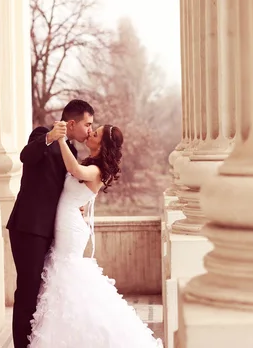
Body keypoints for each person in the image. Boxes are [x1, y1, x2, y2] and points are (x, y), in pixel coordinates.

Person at [28, 123, 162, 347]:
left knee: (67, 273)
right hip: (68, 220)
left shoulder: (97, 169)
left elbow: (76, 172)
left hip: (70, 228)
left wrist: (60, 139)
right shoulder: (89, 163)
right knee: (62, 274)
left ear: (103, 144)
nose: (90, 133)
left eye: (96, 133)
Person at [6, 99, 95, 348]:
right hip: (29, 227)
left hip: (52, 231)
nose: (89, 130)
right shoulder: (42, 134)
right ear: (72, 123)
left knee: (42, 292)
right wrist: (50, 138)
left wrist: (74, 203)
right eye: (88, 124)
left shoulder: (73, 152)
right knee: (27, 290)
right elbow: (26, 156)